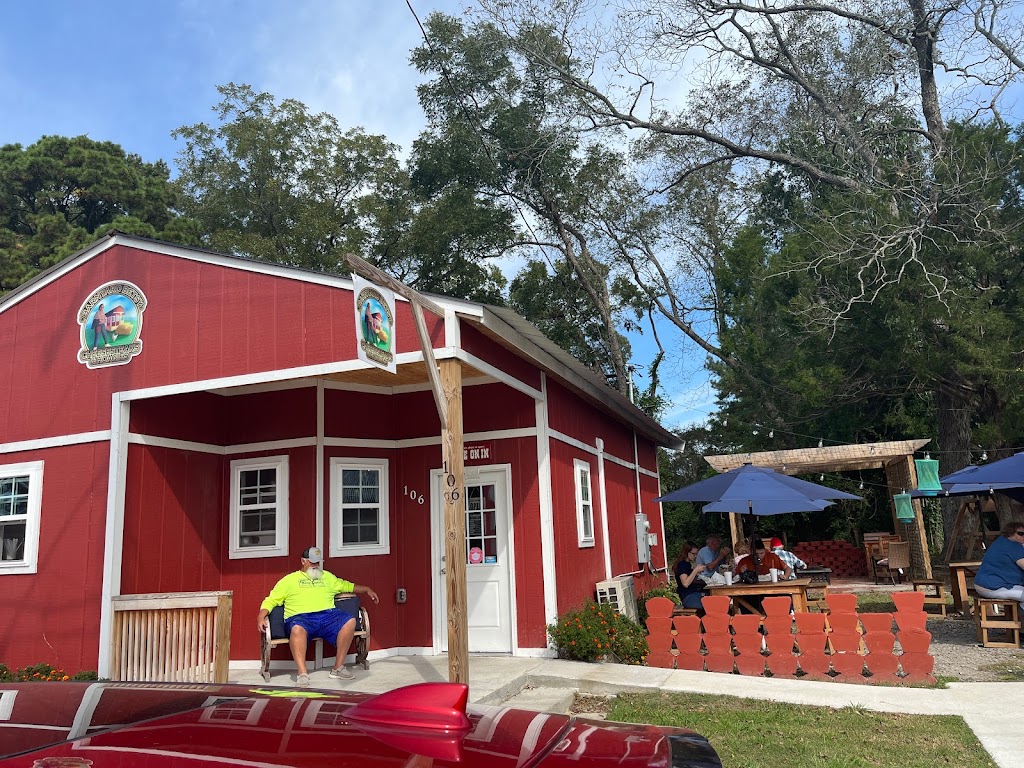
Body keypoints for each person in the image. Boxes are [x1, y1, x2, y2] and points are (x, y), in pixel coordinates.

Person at [257, 546, 379, 686]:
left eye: (318, 562)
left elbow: (347, 586)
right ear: (303, 561)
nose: (315, 566)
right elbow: (271, 600)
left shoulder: (327, 577)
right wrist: (261, 616)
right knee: (296, 629)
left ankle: (338, 668)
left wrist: (367, 589)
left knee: (350, 621)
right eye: (312, 562)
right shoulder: (289, 580)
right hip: (300, 617)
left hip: (327, 615)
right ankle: (302, 673)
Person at [974, 521, 1024, 612]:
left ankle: (1018, 620)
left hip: (985, 584)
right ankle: (1020, 622)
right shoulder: (1014, 547)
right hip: (992, 587)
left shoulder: (1001, 541)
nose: (1023, 536)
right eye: (1021, 534)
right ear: (1010, 533)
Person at [672, 542, 707, 610]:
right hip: (689, 597)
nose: (695, 556)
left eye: (696, 554)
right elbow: (685, 583)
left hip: (693, 594)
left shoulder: (687, 564)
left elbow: (691, 579)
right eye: (693, 554)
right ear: (686, 552)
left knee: (713, 599)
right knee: (713, 605)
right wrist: (696, 570)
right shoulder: (682, 565)